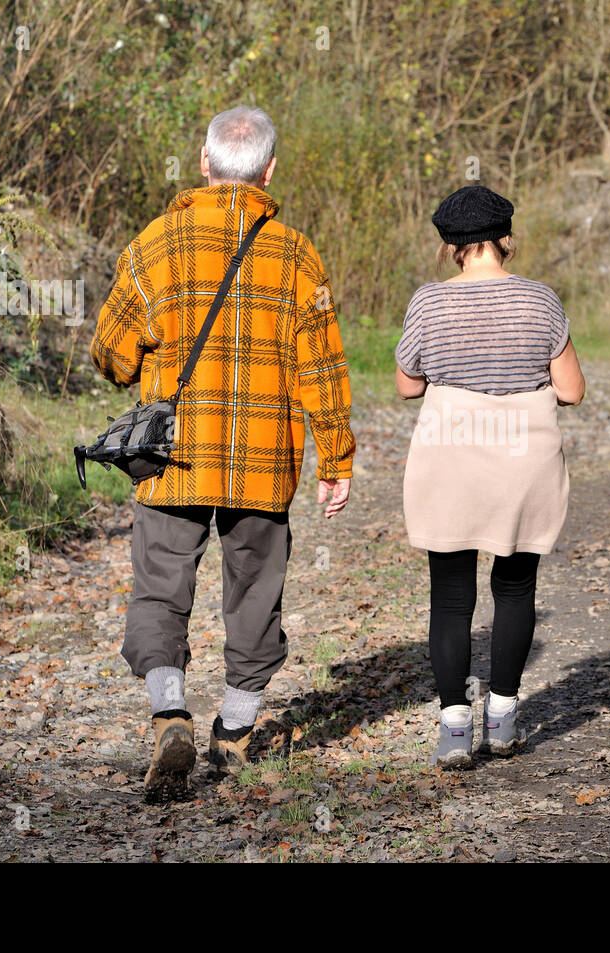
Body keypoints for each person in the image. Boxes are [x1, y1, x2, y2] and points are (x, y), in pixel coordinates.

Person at [90, 106, 355, 802]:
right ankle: (234, 735)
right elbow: (321, 367)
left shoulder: (153, 243)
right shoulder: (298, 254)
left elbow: (112, 355)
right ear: (271, 171)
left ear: (204, 165)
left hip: (172, 457)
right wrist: (336, 458)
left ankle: (169, 711)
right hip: (263, 462)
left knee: (159, 587)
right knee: (256, 593)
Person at [395, 184, 585, 769]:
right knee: (515, 588)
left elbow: (407, 385)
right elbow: (572, 390)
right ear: (506, 238)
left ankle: (454, 726)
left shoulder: (428, 303)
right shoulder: (540, 300)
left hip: (450, 458)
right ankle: (502, 717)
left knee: (451, 597)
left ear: (451, 245)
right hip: (521, 464)